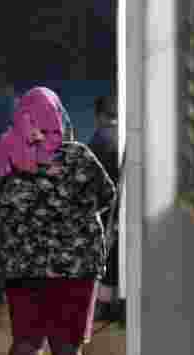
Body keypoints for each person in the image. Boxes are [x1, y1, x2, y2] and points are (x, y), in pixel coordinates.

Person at [0, 86, 117, 355]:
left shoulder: (5, 155)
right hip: (74, 268)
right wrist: (74, 218)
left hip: (23, 266)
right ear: (58, 116)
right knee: (66, 346)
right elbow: (107, 198)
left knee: (26, 343)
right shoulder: (78, 157)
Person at [88, 94, 122, 307]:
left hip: (105, 210)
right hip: (123, 209)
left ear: (100, 115)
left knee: (104, 256)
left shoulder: (100, 139)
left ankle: (104, 304)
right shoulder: (123, 136)